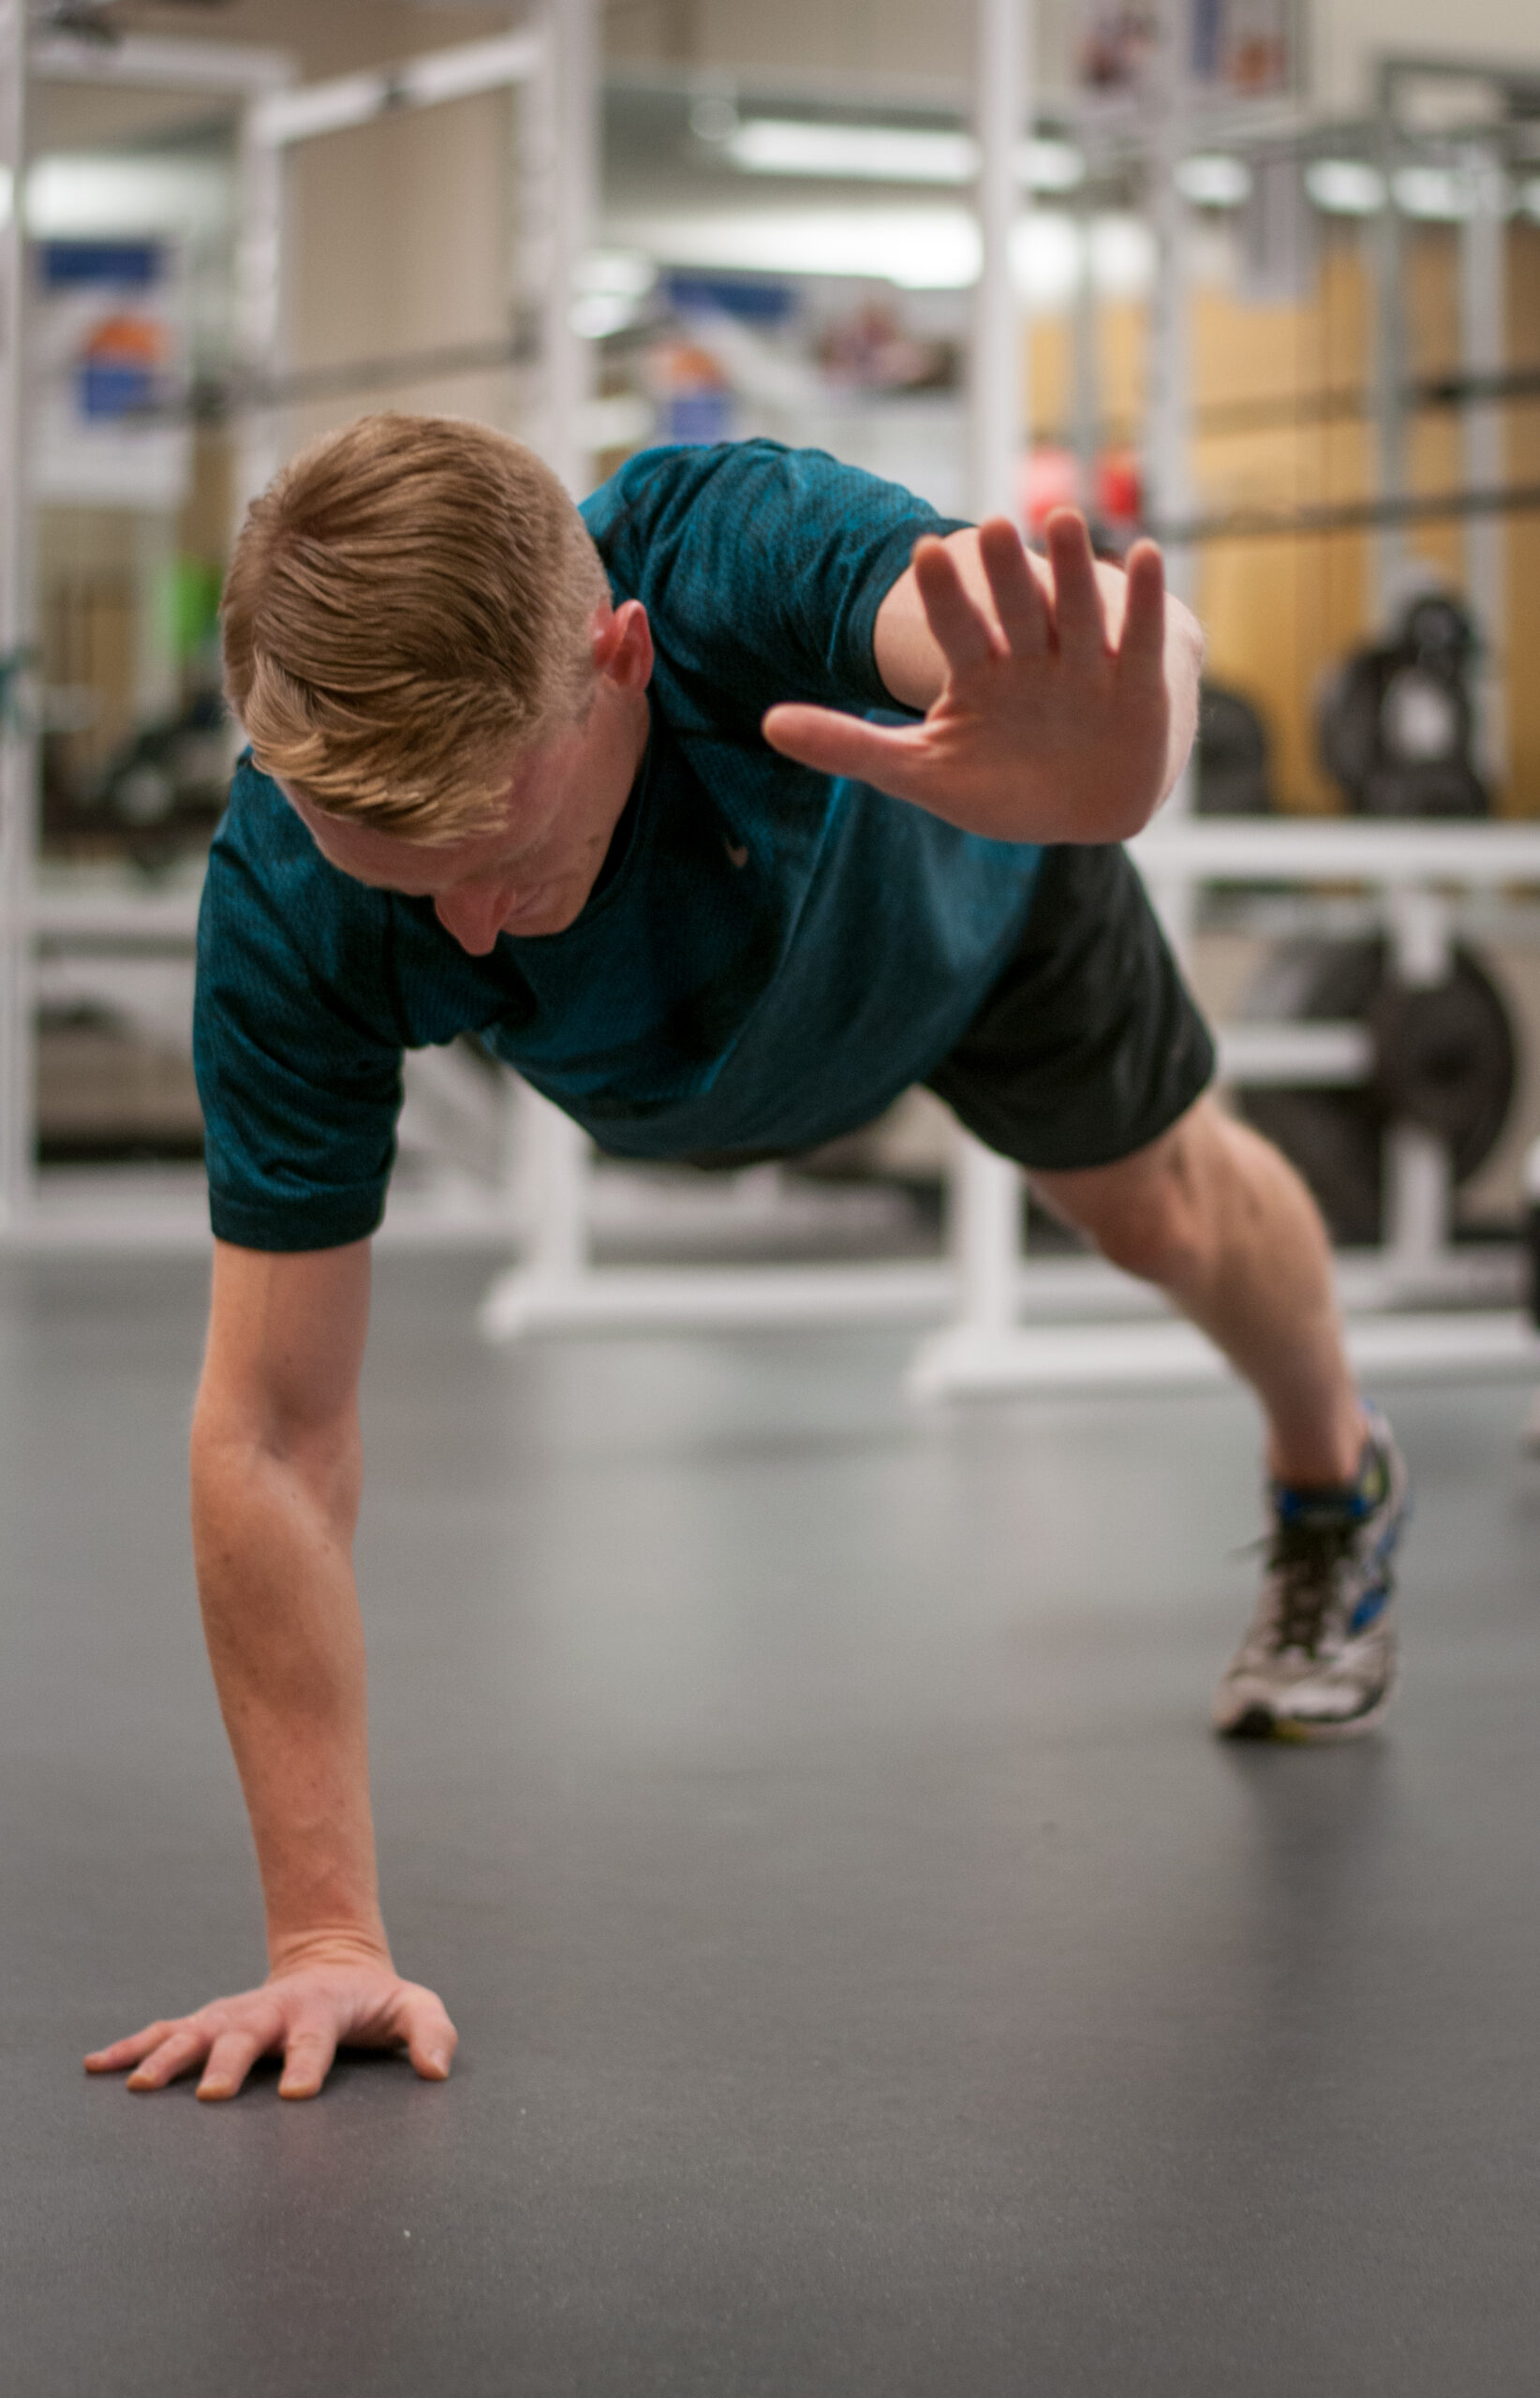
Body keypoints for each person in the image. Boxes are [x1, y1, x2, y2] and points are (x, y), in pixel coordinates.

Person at [84, 416, 1408, 2106]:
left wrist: (1128, 760)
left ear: (617, 652)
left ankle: (1331, 1487)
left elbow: (1088, 647)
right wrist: (324, 1941)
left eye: (498, 860)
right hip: (699, 1076)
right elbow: (269, 1431)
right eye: (419, 893)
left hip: (974, 919)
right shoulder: (296, 900)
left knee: (1160, 1210)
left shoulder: (730, 544)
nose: (470, 935)